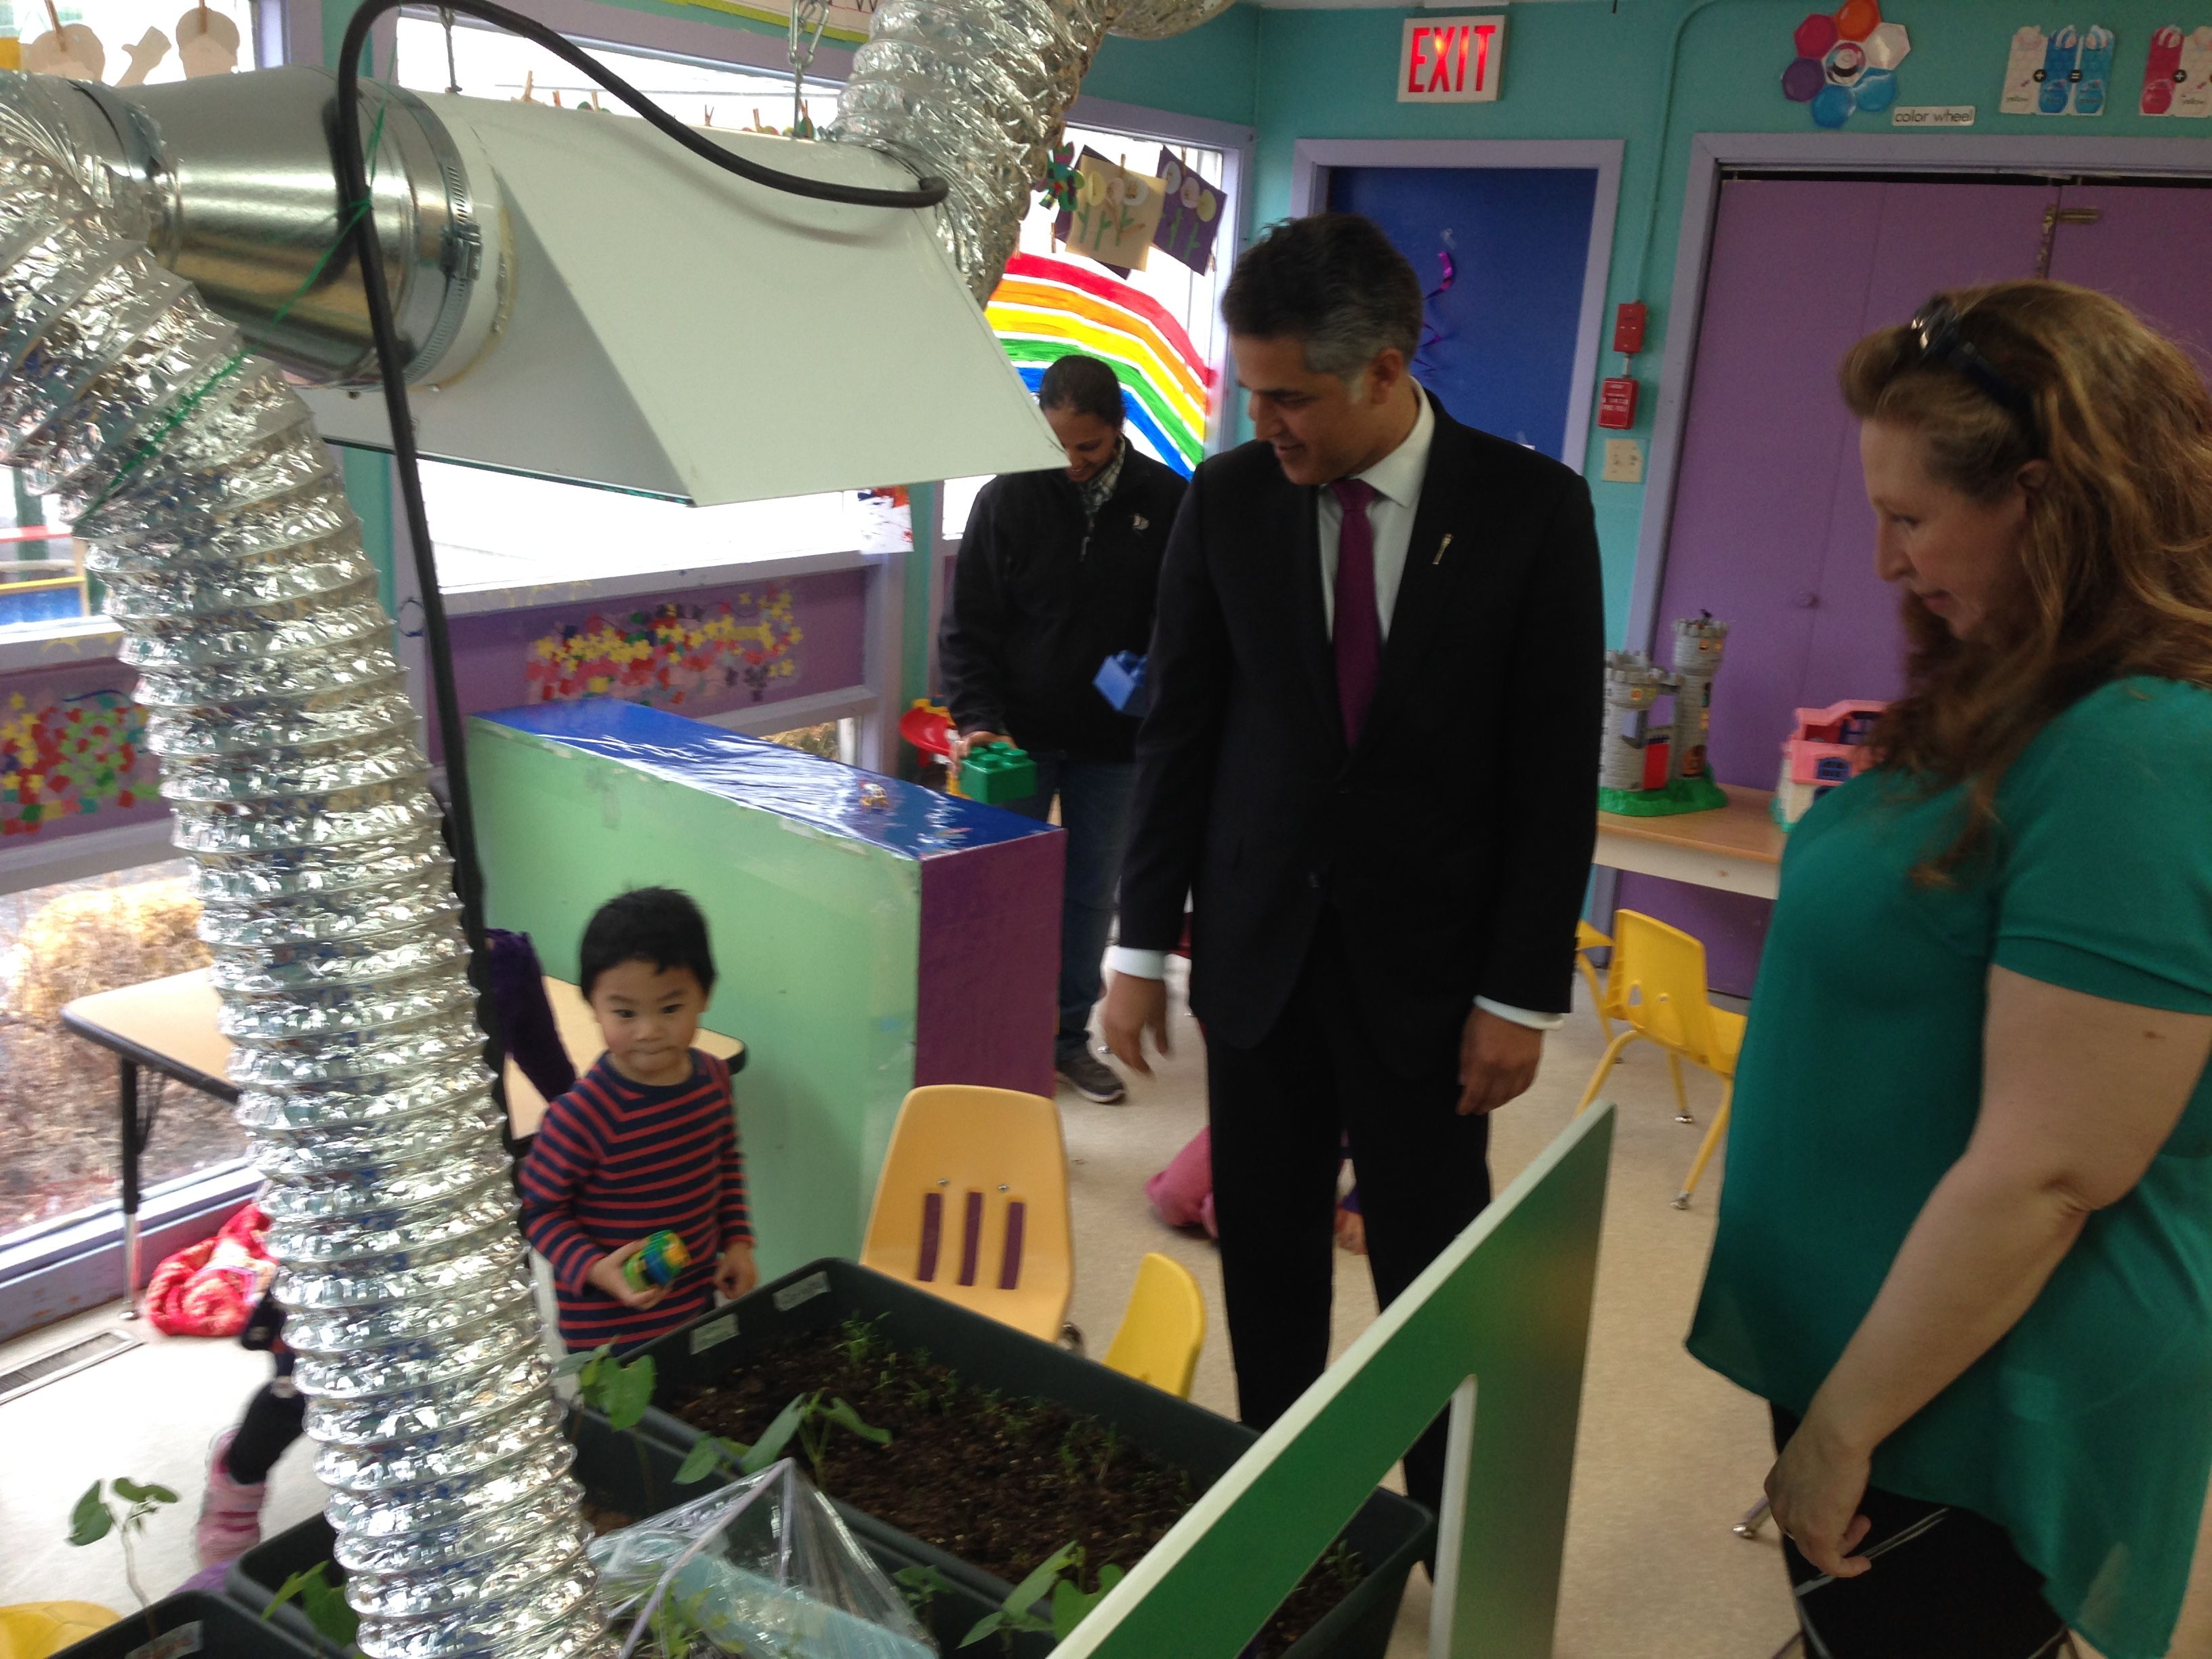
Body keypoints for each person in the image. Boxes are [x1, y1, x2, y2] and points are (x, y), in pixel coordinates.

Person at [1687, 283, 2212, 1659]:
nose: (1881, 560)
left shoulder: (2135, 749)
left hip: (1977, 1374)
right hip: (1886, 1324)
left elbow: (2052, 1169)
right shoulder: (2017, 686)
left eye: (1910, 518)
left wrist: (1842, 1427)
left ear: (2044, 502)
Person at [1101, 213, 1603, 1518]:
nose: (1260, 422)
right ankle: (1283, 1525)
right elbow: (1177, 734)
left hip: (1430, 980)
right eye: (1249, 391)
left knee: (1430, 1273)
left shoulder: (1530, 510)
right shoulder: (1226, 501)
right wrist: (1136, 947)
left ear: (1384, 369)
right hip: (1257, 957)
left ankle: (1440, 1529)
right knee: (1267, 1263)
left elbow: (1551, 774)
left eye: (1289, 397)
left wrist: (1518, 993)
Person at [939, 352, 1188, 1103]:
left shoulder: (1169, 502)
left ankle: (1066, 1040)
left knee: (1087, 896)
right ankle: (989, 1039)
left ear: (1118, 429)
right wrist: (978, 720)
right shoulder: (1006, 497)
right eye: (1057, 445)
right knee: (996, 891)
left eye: (1090, 446)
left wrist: (1155, 679)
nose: (1073, 463)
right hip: (1012, 739)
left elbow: (1186, 624)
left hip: (1114, 744)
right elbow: (969, 626)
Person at [522, 887, 759, 1353]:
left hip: (694, 1308)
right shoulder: (580, 1116)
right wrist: (595, 1268)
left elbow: (726, 1162)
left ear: (704, 995)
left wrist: (737, 1242)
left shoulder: (713, 1080)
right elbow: (539, 1213)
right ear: (593, 1005)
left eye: (670, 1008)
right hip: (609, 1336)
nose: (648, 1031)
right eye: (625, 1013)